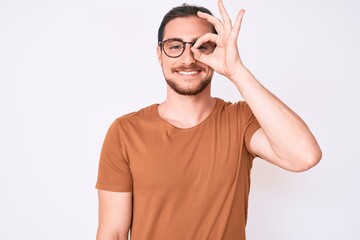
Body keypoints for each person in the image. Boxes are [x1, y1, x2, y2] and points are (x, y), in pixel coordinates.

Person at [95, 1, 322, 239]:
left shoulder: (240, 120)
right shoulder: (125, 131)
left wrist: (236, 71)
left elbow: (305, 156)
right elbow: (113, 233)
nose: (188, 59)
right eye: (175, 46)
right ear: (159, 54)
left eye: (200, 46)